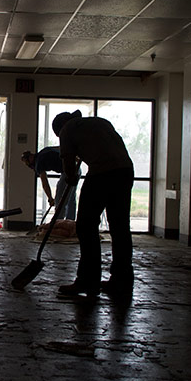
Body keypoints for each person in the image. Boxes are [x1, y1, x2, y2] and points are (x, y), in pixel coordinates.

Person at [52, 110, 134, 297]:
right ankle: (122, 281)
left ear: (59, 128)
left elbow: (67, 163)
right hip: (125, 171)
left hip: (102, 174)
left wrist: (71, 178)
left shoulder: (66, 130)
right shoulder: (99, 122)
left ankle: (88, 281)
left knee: (85, 226)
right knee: (120, 227)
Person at [21, 147, 80, 220]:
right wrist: (76, 158)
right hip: (76, 168)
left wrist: (50, 198)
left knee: (60, 199)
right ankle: (70, 223)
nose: (28, 165)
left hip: (69, 170)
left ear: (30, 157)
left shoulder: (38, 163)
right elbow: (61, 148)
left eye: (27, 163)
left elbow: (45, 183)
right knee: (70, 197)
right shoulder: (44, 151)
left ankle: (58, 222)